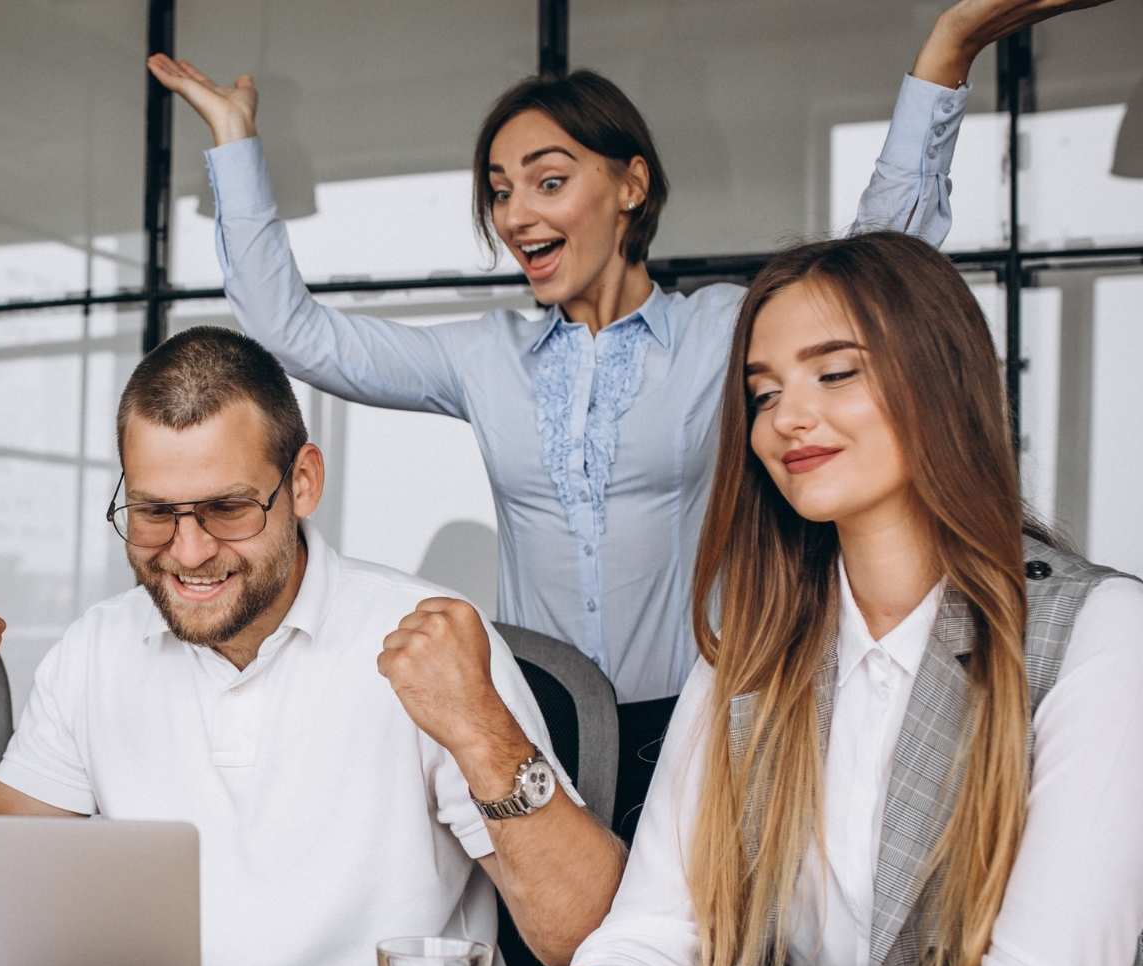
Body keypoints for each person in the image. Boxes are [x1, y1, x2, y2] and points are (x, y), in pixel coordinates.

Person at [149, 0, 1108, 839]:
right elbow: (296, 333)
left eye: (549, 179)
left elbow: (874, 266)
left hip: (708, 719)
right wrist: (234, 145)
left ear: (632, 186)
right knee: (551, 962)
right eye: (499, 188)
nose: (517, 211)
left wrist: (945, 51)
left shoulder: (722, 333)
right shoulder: (483, 359)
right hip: (537, 721)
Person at [477, 231, 1143, 966]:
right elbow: (660, 929)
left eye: (836, 373)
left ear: (940, 377)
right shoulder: (754, 645)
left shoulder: (1099, 630)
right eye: (763, 393)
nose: (788, 417)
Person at [0, 325, 625, 966]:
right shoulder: (95, 651)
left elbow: (582, 938)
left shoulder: (426, 636)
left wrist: (484, 736)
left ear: (302, 482)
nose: (188, 551)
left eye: (227, 509)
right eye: (154, 512)